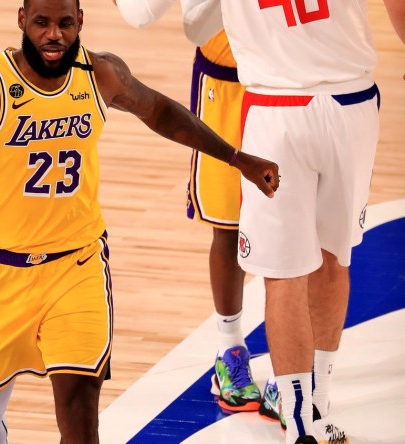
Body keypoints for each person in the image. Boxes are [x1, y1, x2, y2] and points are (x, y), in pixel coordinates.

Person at [0, 0, 279, 442]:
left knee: (80, 414)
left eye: (64, 23)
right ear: (22, 21)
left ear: (80, 21)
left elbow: (160, 112)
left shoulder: (100, 74)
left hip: (75, 269)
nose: (54, 35)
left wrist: (237, 157)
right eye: (42, 23)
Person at [186, 1, 381, 443]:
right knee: (335, 259)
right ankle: (318, 405)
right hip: (351, 99)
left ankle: (299, 428)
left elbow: (188, 24)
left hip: (277, 104)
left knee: (284, 276)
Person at [114, 0, 269, 417]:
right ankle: (229, 349)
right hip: (227, 84)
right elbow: (145, 15)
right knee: (229, 228)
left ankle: (296, 372)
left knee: (294, 230)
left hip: (290, 84)